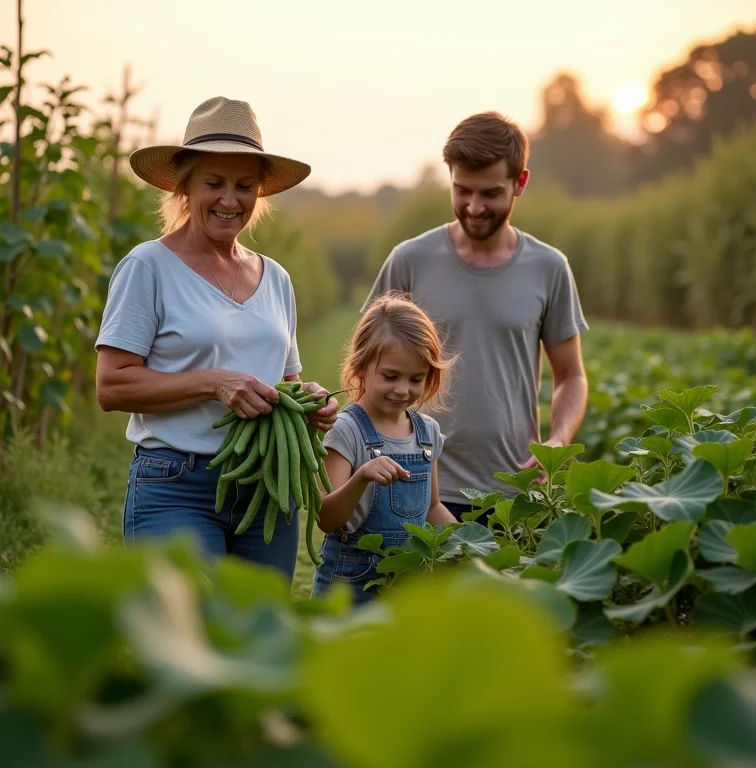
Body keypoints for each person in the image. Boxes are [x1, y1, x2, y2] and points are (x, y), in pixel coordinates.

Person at [95, 96, 338, 579]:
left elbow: (286, 380)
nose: (230, 200)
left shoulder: (276, 279)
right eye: (215, 183)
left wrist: (309, 400)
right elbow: (112, 386)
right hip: (176, 485)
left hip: (267, 488)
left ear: (260, 193)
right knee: (188, 640)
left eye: (244, 186)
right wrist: (214, 383)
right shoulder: (149, 267)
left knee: (260, 639)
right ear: (185, 186)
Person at [364, 112, 589, 523]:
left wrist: (558, 440)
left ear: (520, 182)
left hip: (515, 488)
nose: (474, 206)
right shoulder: (410, 260)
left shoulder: (549, 267)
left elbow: (571, 376)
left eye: (490, 193)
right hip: (414, 481)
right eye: (462, 190)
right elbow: (365, 369)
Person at [312, 294, 457, 604]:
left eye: (416, 379)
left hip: (408, 581)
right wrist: (361, 477)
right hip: (349, 581)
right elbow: (326, 518)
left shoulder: (427, 433)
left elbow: (432, 508)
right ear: (361, 367)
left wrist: (469, 544)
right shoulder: (346, 430)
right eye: (390, 376)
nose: (403, 389)